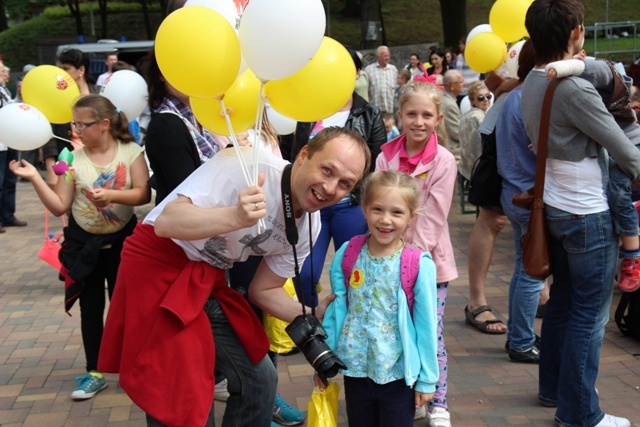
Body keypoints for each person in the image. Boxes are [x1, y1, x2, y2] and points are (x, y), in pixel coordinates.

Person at [97, 127, 370, 427]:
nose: (331, 188)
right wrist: (235, 217)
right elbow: (166, 222)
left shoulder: (310, 227)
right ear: (304, 155)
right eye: (327, 170)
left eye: (345, 183)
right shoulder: (246, 168)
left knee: (261, 379)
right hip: (157, 265)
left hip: (207, 279)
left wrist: (313, 312)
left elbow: (264, 290)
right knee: (180, 390)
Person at [522, 1, 640, 426]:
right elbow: (628, 155)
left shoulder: (534, 80)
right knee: (589, 317)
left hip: (554, 207)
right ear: (575, 32)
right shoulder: (574, 89)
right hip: (586, 212)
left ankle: (553, 389)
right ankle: (581, 414)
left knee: (565, 303)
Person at [9, 94, 150, 400]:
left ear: (103, 124)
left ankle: (131, 368)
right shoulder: (70, 157)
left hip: (122, 243)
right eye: (73, 123)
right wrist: (34, 177)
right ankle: (94, 371)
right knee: (91, 309)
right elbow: (60, 206)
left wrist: (111, 197)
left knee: (124, 307)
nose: (75, 129)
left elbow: (142, 194)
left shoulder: (130, 151)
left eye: (82, 124)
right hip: (83, 245)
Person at [320, 170, 439, 427]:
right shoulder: (347, 253)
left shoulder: (417, 264)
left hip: (397, 375)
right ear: (364, 209)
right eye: (377, 209)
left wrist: (428, 378)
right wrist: (324, 360)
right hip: (355, 370)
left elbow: (427, 326)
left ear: (411, 217)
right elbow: (336, 310)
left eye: (397, 212)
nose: (385, 220)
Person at [376, 81, 457, 426]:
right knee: (397, 331)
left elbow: (433, 218)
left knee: (429, 331)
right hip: (387, 260)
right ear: (400, 115)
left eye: (427, 115)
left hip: (428, 267)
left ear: (438, 119)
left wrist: (408, 262)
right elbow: (378, 206)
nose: (419, 121)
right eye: (412, 114)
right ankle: (413, 394)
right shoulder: (385, 157)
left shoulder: (444, 161)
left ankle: (438, 400)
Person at [281, 47, 386, 308]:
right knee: (303, 274)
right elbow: (290, 152)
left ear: (356, 73)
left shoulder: (368, 113)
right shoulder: (303, 108)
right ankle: (313, 324)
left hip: (348, 206)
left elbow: (376, 160)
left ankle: (351, 328)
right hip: (308, 207)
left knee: (354, 275)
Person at [546, 55, 640, 293]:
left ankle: (633, 256)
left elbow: (607, 74)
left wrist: (566, 65)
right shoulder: (563, 89)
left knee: (618, 192)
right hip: (607, 150)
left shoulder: (596, 68)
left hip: (629, 147)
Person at [495, 40, 545, 363]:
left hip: (514, 194)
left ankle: (518, 334)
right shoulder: (529, 98)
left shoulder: (512, 97)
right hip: (529, 197)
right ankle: (522, 339)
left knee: (522, 268)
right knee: (531, 272)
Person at [142, 47, 223, 205]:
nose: (189, 75)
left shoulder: (199, 116)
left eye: (194, 67)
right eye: (179, 67)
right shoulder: (166, 126)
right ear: (161, 74)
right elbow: (186, 193)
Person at [41, 49, 98, 188]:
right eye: (60, 69)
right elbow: (48, 134)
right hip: (67, 161)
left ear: (81, 70)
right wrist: (50, 169)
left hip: (99, 161)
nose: (61, 74)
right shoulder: (55, 98)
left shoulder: (99, 95)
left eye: (66, 69)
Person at [0, 57, 28, 234]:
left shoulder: (3, 90)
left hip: (9, 140)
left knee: (10, 179)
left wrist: (19, 97)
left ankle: (8, 215)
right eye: (2, 70)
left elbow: (10, 108)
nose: (4, 73)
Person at [459, 80, 491, 181]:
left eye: (488, 96)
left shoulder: (467, 115)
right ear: (472, 101)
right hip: (476, 169)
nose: (485, 99)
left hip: (466, 167)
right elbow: (479, 149)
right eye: (481, 97)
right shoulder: (477, 117)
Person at [365, 45, 398, 115]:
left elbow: (396, 87)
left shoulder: (393, 69)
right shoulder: (369, 69)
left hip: (390, 109)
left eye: (388, 56)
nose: (388, 58)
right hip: (375, 109)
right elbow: (366, 89)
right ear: (378, 57)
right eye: (385, 56)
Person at [442, 70, 464, 160]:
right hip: (452, 151)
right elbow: (457, 133)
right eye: (461, 82)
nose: (464, 84)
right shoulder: (449, 105)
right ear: (452, 86)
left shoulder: (448, 99)